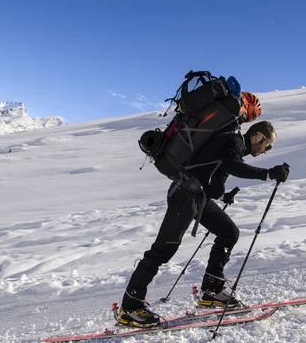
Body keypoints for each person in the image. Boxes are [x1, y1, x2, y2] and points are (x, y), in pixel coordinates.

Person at [117, 96, 290, 329]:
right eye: (267, 145)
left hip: (198, 196)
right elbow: (231, 166)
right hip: (185, 196)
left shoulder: (231, 143)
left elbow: (211, 174)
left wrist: (221, 196)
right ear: (257, 136)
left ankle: (212, 289)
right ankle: (130, 307)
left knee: (229, 232)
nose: (266, 150)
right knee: (163, 249)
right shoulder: (234, 141)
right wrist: (267, 174)